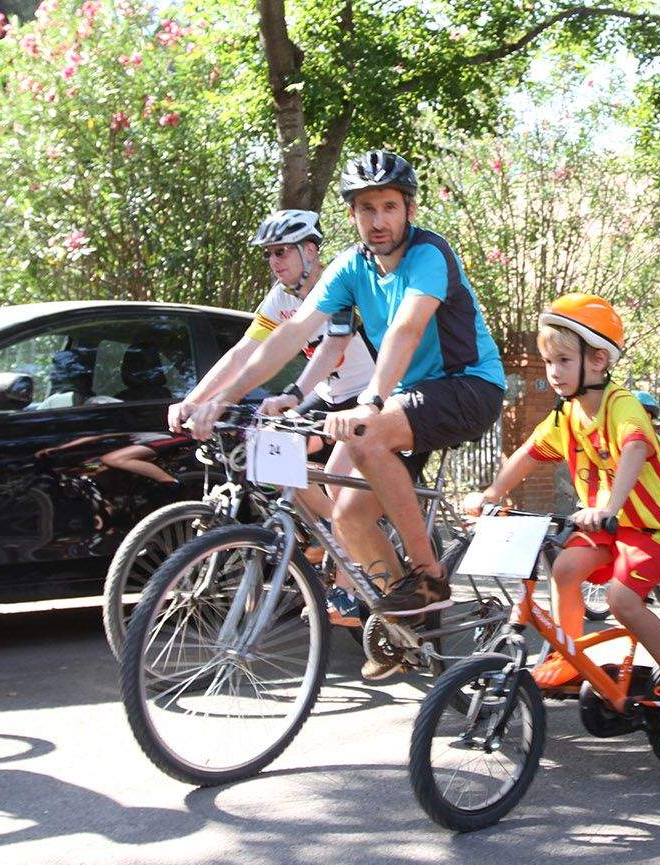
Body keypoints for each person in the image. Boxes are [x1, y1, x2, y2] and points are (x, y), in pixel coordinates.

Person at [185, 151, 506, 658]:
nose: (378, 221)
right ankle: (406, 622)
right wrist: (218, 397)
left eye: (389, 207)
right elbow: (289, 334)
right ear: (352, 216)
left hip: (466, 387)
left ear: (409, 210)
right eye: (365, 209)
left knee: (368, 433)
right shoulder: (351, 266)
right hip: (407, 401)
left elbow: (405, 329)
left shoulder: (430, 255)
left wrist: (372, 401)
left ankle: (427, 576)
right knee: (349, 517)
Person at [464, 294, 660, 746]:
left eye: (563, 359)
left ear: (597, 361)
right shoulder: (567, 415)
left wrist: (609, 507)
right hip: (606, 529)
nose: (553, 370)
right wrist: (492, 495)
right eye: (548, 360)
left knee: (620, 599)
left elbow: (634, 447)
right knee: (565, 568)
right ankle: (568, 655)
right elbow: (529, 453)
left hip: (656, 529)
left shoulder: (621, 405)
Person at [169, 208, 381, 626]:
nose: (274, 261)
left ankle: (348, 587)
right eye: (269, 254)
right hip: (326, 395)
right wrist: (194, 400)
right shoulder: (281, 299)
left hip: (369, 396)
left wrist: (291, 394)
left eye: (281, 251)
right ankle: (326, 533)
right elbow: (244, 352)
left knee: (340, 489)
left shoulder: (338, 286)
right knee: (271, 455)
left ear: (309, 250)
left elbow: (333, 350)